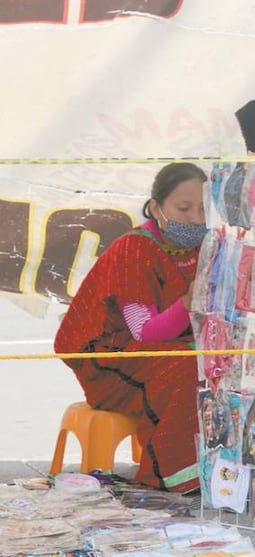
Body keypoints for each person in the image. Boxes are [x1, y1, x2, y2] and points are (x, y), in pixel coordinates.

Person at [55, 162, 209, 493]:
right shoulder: (134, 249)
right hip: (108, 361)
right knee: (186, 365)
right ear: (156, 207)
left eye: (203, 209)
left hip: (161, 349)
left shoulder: (205, 247)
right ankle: (174, 475)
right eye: (184, 209)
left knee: (222, 361)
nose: (196, 219)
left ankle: (224, 471)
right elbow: (145, 331)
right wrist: (188, 303)